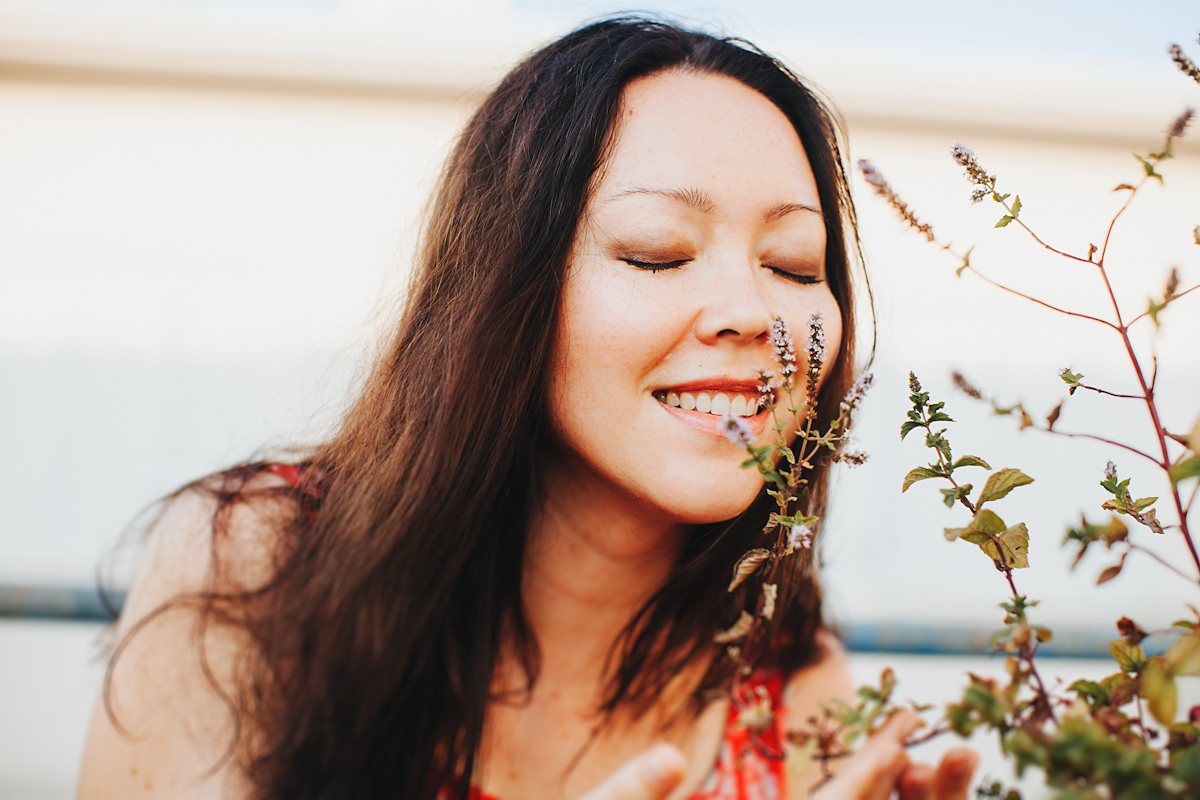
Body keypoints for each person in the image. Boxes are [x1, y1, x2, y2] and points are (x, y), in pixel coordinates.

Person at [78, 17, 978, 800]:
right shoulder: (256, 569)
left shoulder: (791, 679)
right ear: (508, 291)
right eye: (659, 253)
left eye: (791, 265)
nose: (754, 313)